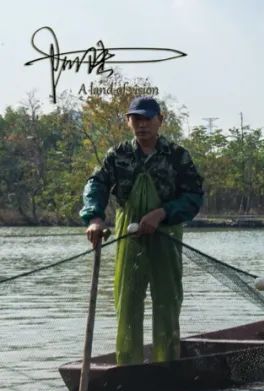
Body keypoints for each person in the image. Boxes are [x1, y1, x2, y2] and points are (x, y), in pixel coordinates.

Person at [81, 96, 204, 365]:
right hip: (129, 234)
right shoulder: (118, 155)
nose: (142, 124)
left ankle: (167, 366)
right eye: (136, 119)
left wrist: (162, 213)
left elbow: (194, 196)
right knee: (127, 304)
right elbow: (97, 185)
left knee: (167, 303)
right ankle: (128, 368)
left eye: (148, 118)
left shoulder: (177, 156)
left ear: (160, 120)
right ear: (128, 122)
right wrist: (95, 218)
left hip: (166, 233)